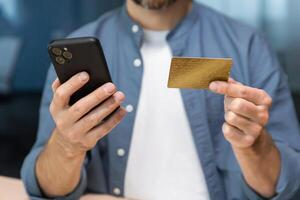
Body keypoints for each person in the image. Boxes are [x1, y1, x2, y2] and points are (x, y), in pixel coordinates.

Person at [22, 0, 300, 199]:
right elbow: (46, 188)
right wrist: (68, 144)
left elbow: (289, 186)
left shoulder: (248, 45)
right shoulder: (77, 51)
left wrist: (254, 144)